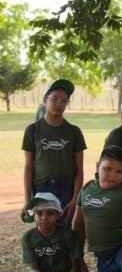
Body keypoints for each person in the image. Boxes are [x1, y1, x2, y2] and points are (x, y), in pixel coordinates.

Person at [22, 79, 87, 226]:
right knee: (44, 229)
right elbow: (28, 167)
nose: (59, 104)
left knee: (65, 229)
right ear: (45, 99)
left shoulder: (74, 131)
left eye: (64, 101)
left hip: (66, 188)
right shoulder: (32, 130)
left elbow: (79, 169)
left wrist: (75, 198)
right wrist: (27, 199)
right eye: (55, 99)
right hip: (41, 187)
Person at [22, 193, 83, 272]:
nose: (44, 218)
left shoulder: (68, 235)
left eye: (50, 213)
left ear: (58, 215)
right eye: (39, 213)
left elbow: (75, 265)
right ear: (34, 215)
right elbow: (32, 268)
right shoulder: (28, 237)